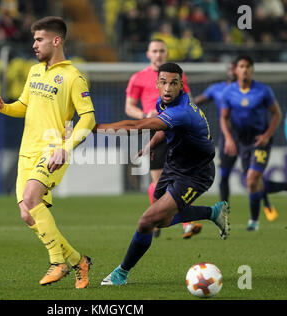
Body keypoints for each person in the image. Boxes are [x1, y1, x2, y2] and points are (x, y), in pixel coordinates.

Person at [96, 62, 230, 286]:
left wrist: (96, 128)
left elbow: (137, 125)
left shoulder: (182, 112)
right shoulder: (165, 103)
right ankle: (212, 213)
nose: (168, 88)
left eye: (174, 83)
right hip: (174, 166)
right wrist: (151, 146)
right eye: (164, 82)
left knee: (146, 221)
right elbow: (163, 129)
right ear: (157, 84)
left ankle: (122, 272)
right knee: (161, 222)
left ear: (181, 86)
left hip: (196, 174)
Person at [0, 16, 95, 289]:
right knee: (27, 213)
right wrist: (4, 107)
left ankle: (57, 261)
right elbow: (24, 104)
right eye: (34, 39)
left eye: (39, 39)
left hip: (52, 151)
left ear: (56, 40)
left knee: (31, 197)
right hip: (27, 151)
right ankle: (78, 260)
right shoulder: (34, 71)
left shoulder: (74, 77)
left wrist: (65, 148)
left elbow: (88, 119)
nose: (34, 45)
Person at [125, 39, 200, 239]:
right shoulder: (138, 78)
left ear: (166, 54)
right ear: (148, 54)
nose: (158, 54)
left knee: (182, 178)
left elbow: (188, 101)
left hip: (176, 131)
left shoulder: (177, 76)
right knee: (158, 182)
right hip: (154, 130)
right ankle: (155, 218)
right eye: (154, 51)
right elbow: (129, 106)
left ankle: (187, 224)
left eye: (161, 51)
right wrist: (143, 115)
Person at [220, 55, 287, 231]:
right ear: (236, 70)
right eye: (241, 66)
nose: (245, 69)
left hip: (260, 141)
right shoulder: (229, 92)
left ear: (252, 70)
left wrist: (266, 135)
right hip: (242, 141)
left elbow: (277, 114)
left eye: (248, 66)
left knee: (251, 180)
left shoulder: (263, 91)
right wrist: (228, 138)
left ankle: (253, 222)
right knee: (254, 183)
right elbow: (223, 117)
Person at [194, 62, 236, 203]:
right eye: (230, 68)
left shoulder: (250, 91)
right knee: (224, 175)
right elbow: (195, 102)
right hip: (227, 137)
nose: (232, 71)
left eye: (234, 68)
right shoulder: (217, 89)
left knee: (253, 175)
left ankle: (264, 204)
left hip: (247, 137)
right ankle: (225, 208)